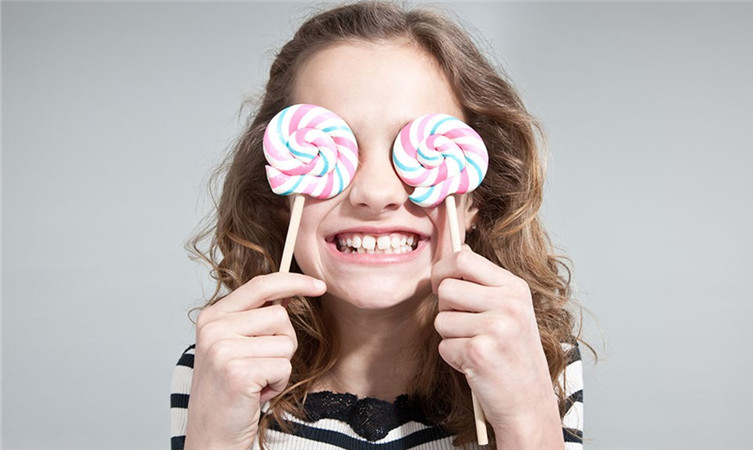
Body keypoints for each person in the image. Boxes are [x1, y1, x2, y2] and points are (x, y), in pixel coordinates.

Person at [171, 2, 592, 449]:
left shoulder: (539, 362)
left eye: (419, 152)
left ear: (475, 199)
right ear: (279, 189)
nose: (375, 192)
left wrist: (527, 419)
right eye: (334, 148)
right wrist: (215, 437)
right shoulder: (223, 366)